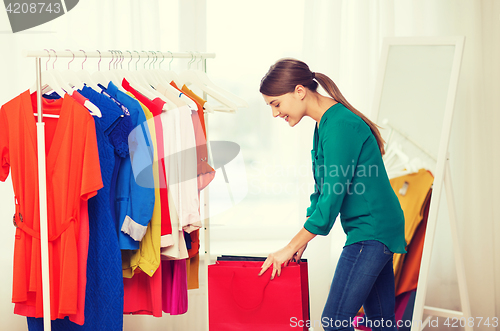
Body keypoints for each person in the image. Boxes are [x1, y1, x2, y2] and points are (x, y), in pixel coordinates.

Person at [258, 58, 407, 331]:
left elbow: (332, 198)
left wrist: (291, 245)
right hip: (376, 228)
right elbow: (322, 190)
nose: (274, 113)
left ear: (299, 91)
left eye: (275, 104)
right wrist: (303, 236)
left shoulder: (339, 125)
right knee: (382, 324)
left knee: (334, 320)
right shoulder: (325, 124)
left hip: (371, 231)